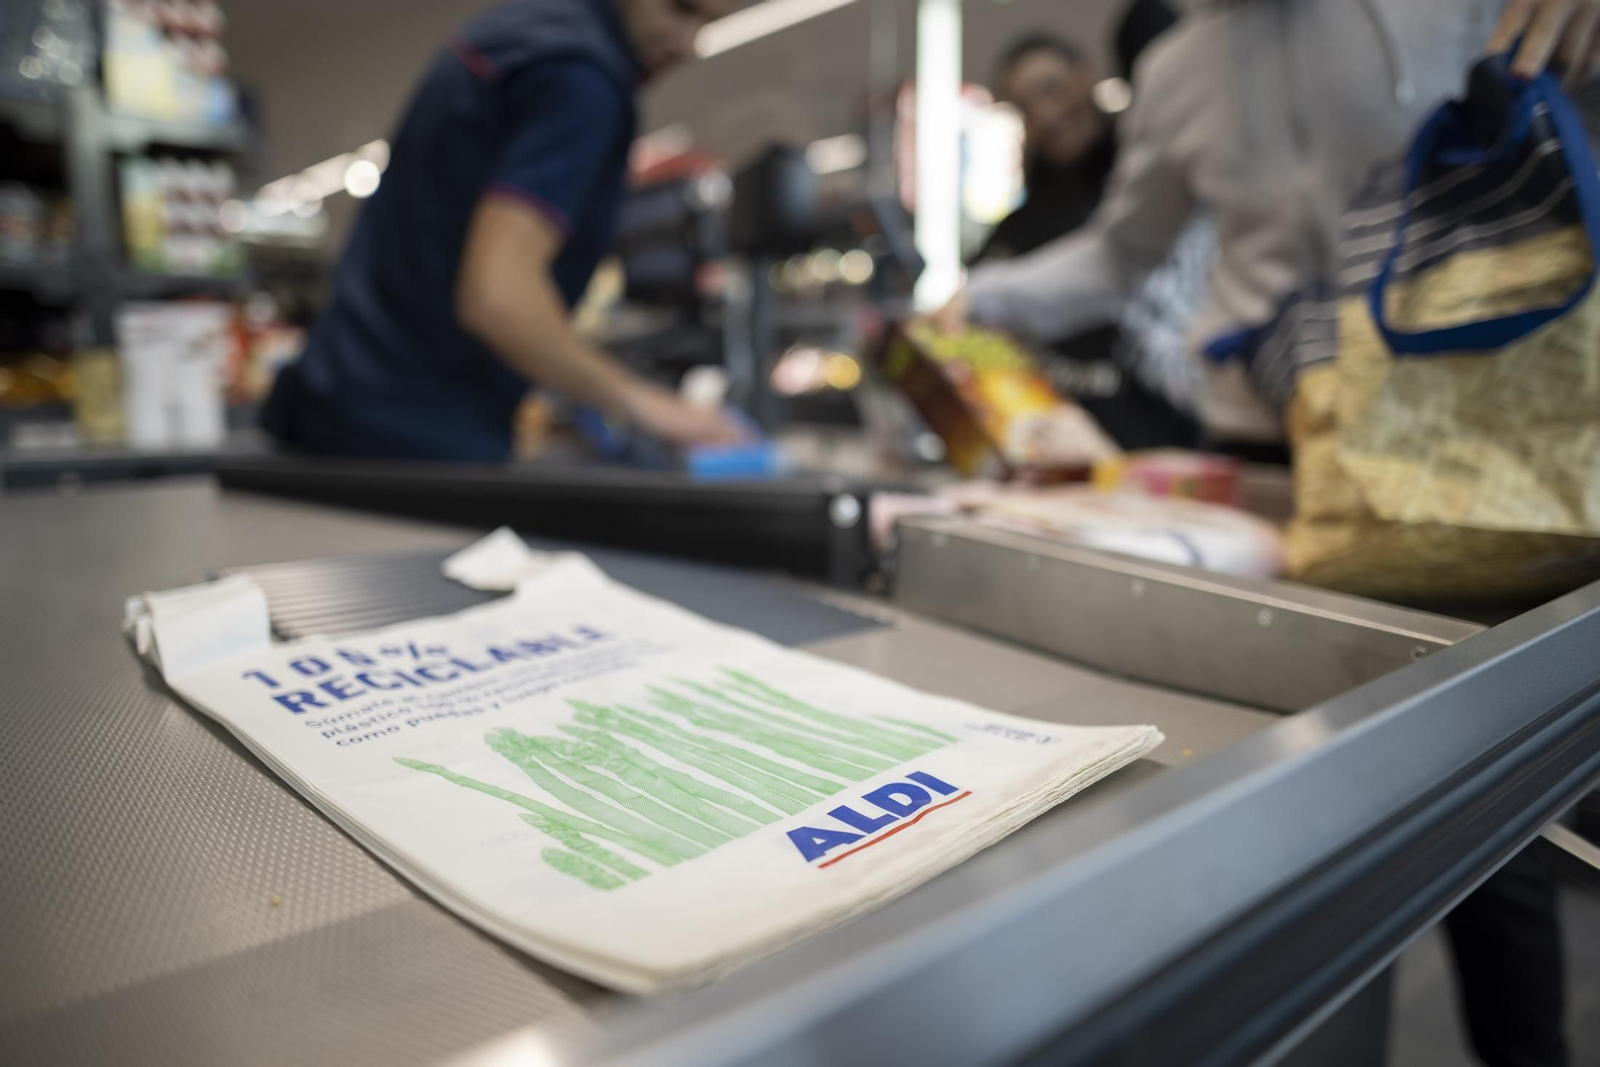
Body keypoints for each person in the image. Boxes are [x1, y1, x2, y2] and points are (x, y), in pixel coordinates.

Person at [263, 0, 747, 462]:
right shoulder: (581, 80)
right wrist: (643, 403)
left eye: (706, 22)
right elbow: (498, 297)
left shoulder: (520, 34)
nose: (687, 44)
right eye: (679, 8)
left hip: (345, 399)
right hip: (410, 429)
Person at [974, 6, 1207, 451]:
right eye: (1025, 107)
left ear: (1088, 77)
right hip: (1059, 461)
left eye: (1052, 90)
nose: (1045, 114)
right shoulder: (1016, 229)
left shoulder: (1153, 189)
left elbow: (1118, 262)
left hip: (1165, 443)